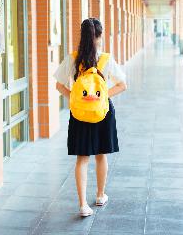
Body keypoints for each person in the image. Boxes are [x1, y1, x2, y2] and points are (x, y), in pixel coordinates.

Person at [53, 17, 127, 217]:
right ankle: (101, 195)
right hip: (102, 113)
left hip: (80, 113)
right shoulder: (106, 59)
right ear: (100, 36)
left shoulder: (73, 58)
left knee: (82, 159)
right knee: (101, 155)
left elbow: (59, 85)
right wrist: (101, 98)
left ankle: (83, 205)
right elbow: (122, 84)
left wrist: (77, 99)